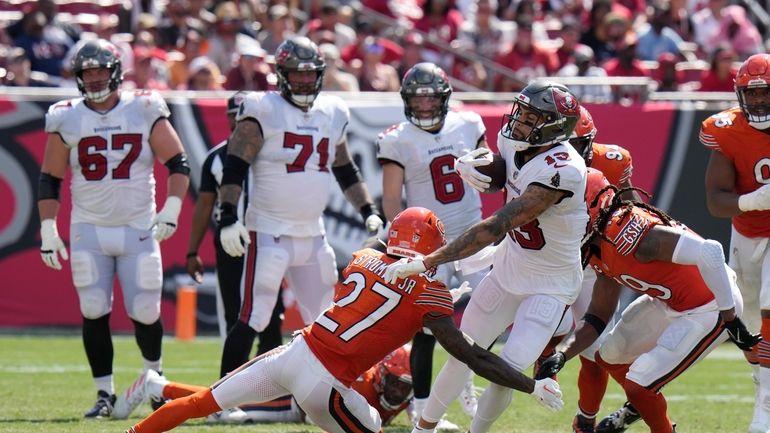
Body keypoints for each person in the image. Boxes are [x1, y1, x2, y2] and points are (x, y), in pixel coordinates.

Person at [123, 207, 563, 433]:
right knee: (370, 425)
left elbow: (385, 280)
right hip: (327, 381)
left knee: (201, 405)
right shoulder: (430, 293)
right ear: (431, 246)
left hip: (293, 351)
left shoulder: (364, 257)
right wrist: (529, 384)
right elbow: (469, 355)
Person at [386, 80, 587, 433]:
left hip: (549, 285)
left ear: (554, 127)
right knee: (463, 353)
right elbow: (507, 175)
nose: (519, 121)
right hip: (510, 267)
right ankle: (424, 428)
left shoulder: (564, 168)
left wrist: (430, 260)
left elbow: (497, 224)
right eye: (520, 112)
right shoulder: (514, 140)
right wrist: (481, 169)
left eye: (530, 117)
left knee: (507, 370)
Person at [214, 36, 385, 386]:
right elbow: (235, 165)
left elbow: (344, 167)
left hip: (313, 233)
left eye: (311, 75)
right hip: (269, 230)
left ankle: (325, 392)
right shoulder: (263, 107)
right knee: (255, 316)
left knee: (326, 318)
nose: (305, 81)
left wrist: (368, 209)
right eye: (298, 74)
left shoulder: (333, 110)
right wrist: (228, 215)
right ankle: (221, 395)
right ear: (282, 74)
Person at [535, 173, 759, 433]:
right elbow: (597, 315)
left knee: (639, 384)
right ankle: (640, 404)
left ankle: (654, 415)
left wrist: (730, 317)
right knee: (610, 355)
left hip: (709, 305)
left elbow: (711, 251)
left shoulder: (626, 231)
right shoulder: (598, 244)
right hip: (671, 303)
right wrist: (561, 355)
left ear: (592, 210)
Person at [37, 38, 189, 418]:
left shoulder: (143, 107)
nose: (94, 78)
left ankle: (155, 380)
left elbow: (178, 163)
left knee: (145, 309)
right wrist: (47, 228)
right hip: (89, 229)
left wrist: (171, 207)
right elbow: (50, 178)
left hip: (137, 226)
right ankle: (104, 393)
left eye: (100, 70)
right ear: (77, 77)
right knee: (93, 308)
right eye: (87, 72)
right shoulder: (67, 115)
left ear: (116, 71)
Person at [377, 62, 487, 427]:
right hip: (428, 241)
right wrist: (401, 242)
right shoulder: (398, 137)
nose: (424, 106)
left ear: (444, 98)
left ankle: (467, 383)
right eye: (417, 99)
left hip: (473, 234)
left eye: (430, 98)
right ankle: (421, 408)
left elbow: (492, 171)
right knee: (425, 325)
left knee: (478, 319)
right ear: (407, 100)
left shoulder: (469, 124)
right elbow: (392, 198)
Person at [557, 105, 639, 433]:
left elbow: (632, 207)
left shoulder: (613, 161)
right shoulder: (539, 163)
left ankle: (586, 421)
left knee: (596, 351)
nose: (567, 155)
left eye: (575, 146)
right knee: (545, 335)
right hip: (553, 261)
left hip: (595, 262)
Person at [700, 52, 770, 433]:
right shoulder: (725, 128)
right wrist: (754, 200)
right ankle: (764, 384)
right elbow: (715, 200)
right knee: (751, 321)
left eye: (765, 93)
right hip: (747, 231)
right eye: (751, 94)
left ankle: (765, 412)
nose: (758, 101)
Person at [184, 91, 283, 349]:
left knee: (271, 314)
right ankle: (234, 378)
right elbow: (205, 205)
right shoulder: (216, 158)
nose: (242, 120)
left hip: (268, 237)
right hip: (232, 241)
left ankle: (269, 380)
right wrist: (192, 251)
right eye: (237, 115)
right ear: (229, 118)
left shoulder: (275, 150)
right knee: (233, 312)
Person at [115, 345, 416, 425]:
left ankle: (158, 386)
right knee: (223, 410)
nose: (397, 392)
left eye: (404, 387)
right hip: (297, 398)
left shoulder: (406, 394)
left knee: (220, 406)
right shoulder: (363, 381)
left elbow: (417, 408)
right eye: (394, 384)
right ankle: (157, 386)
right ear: (381, 375)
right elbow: (320, 411)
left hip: (302, 397)